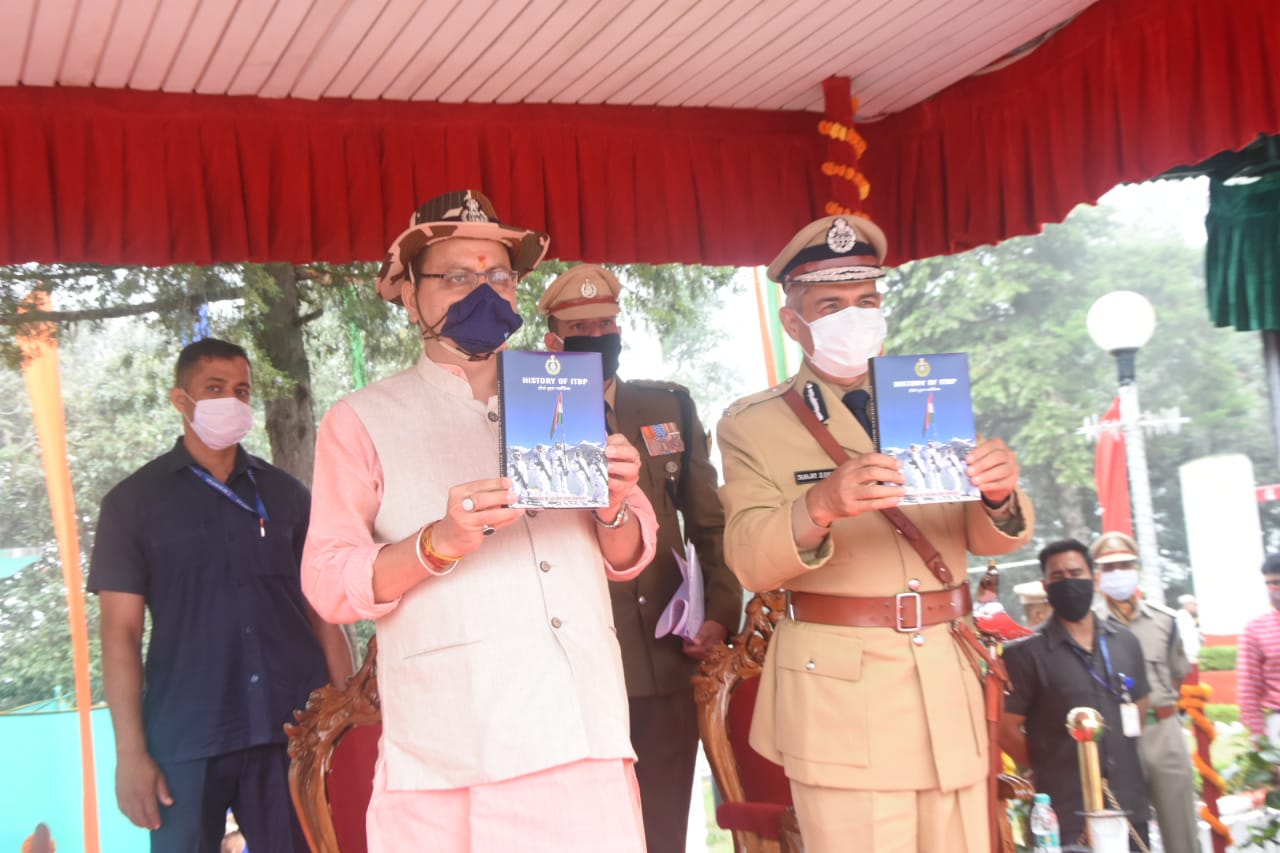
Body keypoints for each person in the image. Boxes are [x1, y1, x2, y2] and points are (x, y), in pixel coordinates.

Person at [301, 190, 659, 852]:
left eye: (497, 276)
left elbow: (630, 548)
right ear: (410, 295)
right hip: (452, 757)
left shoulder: (563, 390)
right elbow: (326, 580)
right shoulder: (361, 419)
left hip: (586, 738)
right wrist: (435, 544)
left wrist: (613, 501)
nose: (483, 293)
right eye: (458, 277)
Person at [716, 213, 1034, 853]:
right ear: (793, 322)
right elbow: (750, 561)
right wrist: (821, 505)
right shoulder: (754, 423)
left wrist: (999, 495)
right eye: (830, 304)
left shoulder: (931, 398)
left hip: (946, 675)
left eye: (866, 301)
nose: (854, 316)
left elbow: (987, 538)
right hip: (842, 694)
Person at [89, 338, 353, 853]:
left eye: (241, 390)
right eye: (214, 388)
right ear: (180, 400)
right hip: (186, 737)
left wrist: (348, 717)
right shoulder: (131, 505)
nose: (231, 400)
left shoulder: (287, 496)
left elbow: (326, 613)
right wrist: (130, 753)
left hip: (294, 731)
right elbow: (119, 634)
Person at [538, 264, 743, 853]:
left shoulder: (666, 407)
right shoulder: (529, 418)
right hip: (571, 666)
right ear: (554, 341)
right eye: (581, 327)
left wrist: (721, 613)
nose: (599, 335)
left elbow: (708, 521)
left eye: (607, 322)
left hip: (662, 658)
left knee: (661, 833)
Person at [1001, 539, 1151, 849]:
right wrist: (1048, 761)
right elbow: (1005, 727)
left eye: (1075, 572)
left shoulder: (1126, 642)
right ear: (1046, 585)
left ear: (1094, 579)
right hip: (1064, 809)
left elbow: (1139, 707)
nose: (1068, 582)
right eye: (1058, 577)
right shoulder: (1025, 652)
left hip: (1127, 800)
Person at [1090, 531, 1197, 853]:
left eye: (1125, 565)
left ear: (1136, 568)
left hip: (1163, 731)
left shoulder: (1164, 620)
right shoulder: (1091, 624)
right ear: (1098, 575)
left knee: (1181, 828)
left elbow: (1177, 675)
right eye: (1109, 568)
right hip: (1116, 738)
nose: (1118, 573)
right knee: (1124, 833)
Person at [1239, 554, 1280, 746]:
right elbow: (1249, 688)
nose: (1273, 590)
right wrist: (1258, 735)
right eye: (1269, 584)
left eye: (1278, 582)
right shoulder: (1256, 630)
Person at [1176, 593, 1202, 662]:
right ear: (1187, 605)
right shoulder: (1182, 616)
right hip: (1188, 653)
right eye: (1194, 604)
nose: (1196, 607)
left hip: (1192, 653)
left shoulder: (1188, 616)